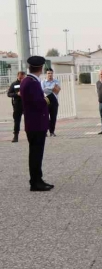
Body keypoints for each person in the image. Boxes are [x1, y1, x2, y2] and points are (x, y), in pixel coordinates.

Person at [20, 56, 53, 191]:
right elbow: (38, 103)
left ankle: (37, 179)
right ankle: (35, 182)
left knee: (36, 153)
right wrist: (50, 98)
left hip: (33, 123)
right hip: (36, 124)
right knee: (36, 154)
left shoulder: (27, 80)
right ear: (41, 68)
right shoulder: (32, 82)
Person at [41, 68, 61, 137]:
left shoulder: (56, 81)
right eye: (48, 73)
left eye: (51, 73)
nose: (50, 75)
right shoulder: (43, 82)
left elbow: (57, 90)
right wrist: (52, 89)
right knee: (45, 117)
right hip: (46, 101)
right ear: (46, 74)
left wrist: (48, 89)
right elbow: (42, 91)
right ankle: (45, 131)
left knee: (53, 117)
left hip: (54, 101)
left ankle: (52, 131)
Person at [7, 71, 25, 142]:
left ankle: (34, 134)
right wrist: (17, 94)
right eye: (20, 77)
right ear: (18, 76)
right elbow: (9, 94)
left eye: (23, 78)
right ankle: (16, 136)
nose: (21, 79)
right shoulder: (14, 84)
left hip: (26, 104)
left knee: (30, 119)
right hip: (17, 105)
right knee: (17, 121)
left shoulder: (27, 84)